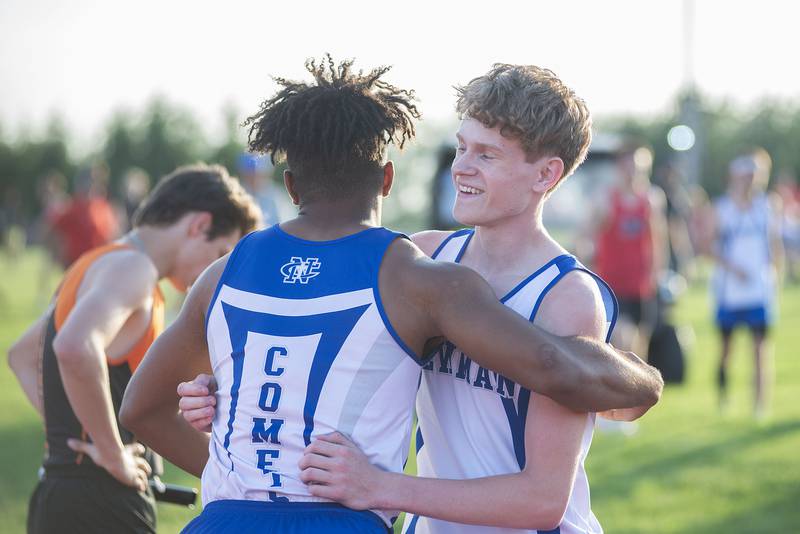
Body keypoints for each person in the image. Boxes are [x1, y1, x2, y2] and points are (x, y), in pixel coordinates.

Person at [121, 57, 662, 534]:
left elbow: (543, 499)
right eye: (462, 147)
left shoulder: (565, 295)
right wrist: (237, 386)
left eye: (488, 156)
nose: (462, 168)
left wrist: (381, 488)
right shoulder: (423, 257)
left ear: (546, 174)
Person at [6, 163, 261, 534]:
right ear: (199, 225)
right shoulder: (134, 269)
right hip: (102, 501)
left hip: (60, 493)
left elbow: (24, 356)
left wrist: (77, 439)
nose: (215, 273)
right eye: (221, 252)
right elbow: (75, 346)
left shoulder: (97, 263)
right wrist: (110, 452)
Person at [709, 149, 783, 417]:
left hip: (758, 291)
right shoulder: (723, 208)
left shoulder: (767, 206)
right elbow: (711, 246)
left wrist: (777, 275)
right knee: (726, 349)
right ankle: (723, 397)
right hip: (730, 291)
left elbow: (774, 246)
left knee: (760, 350)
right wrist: (733, 268)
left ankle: (759, 406)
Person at [591, 142, 669, 359]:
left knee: (640, 346)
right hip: (613, 283)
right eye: (629, 166)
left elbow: (659, 239)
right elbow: (587, 235)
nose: (634, 172)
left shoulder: (652, 199)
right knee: (622, 338)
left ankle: (635, 391)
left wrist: (658, 273)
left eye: (639, 167)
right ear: (619, 167)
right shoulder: (605, 199)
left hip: (642, 285)